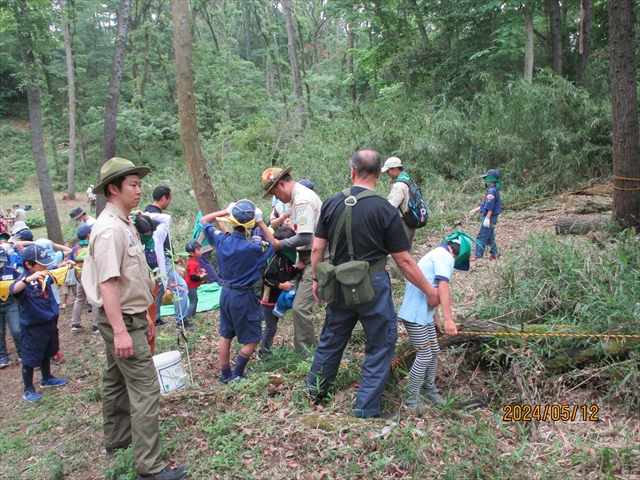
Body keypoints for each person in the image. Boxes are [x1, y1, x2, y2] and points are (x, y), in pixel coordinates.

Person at [306, 148, 442, 419]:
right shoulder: (384, 209)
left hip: (338, 283)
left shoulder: (331, 203)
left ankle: (315, 392)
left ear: (352, 171)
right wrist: (429, 290)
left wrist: (316, 279)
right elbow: (403, 261)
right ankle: (366, 408)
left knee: (332, 338)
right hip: (374, 285)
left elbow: (316, 250)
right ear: (380, 175)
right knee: (380, 343)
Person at [81, 157, 187, 480]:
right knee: (145, 387)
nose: (139, 190)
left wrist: (145, 313)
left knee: (114, 378)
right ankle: (150, 468)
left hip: (131, 315)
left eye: (140, 184)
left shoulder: (124, 222)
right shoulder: (109, 229)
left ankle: (118, 440)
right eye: (133, 185)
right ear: (113, 189)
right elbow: (108, 284)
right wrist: (121, 332)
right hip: (120, 320)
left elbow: (131, 278)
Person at [201, 200, 274, 383]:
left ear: (231, 221)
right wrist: (260, 222)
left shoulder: (221, 239)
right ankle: (237, 374)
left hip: (226, 292)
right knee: (253, 337)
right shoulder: (254, 248)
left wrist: (225, 210)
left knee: (226, 334)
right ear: (250, 224)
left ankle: (225, 374)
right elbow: (273, 244)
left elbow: (204, 220)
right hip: (244, 295)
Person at [398, 232, 473, 410]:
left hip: (424, 314)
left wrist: (436, 318)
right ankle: (411, 399)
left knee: (434, 349)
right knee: (424, 355)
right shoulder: (444, 257)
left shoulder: (437, 254)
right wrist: (449, 320)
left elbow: (434, 288)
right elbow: (444, 288)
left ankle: (428, 387)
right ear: (459, 255)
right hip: (415, 315)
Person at [261, 167, 322, 353]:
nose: (277, 198)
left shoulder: (302, 199)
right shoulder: (296, 198)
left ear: (281, 184)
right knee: (299, 305)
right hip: (305, 256)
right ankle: (304, 348)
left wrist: (280, 244)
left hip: (315, 256)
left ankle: (307, 353)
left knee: (300, 307)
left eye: (275, 194)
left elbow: (304, 237)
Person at [9, 244, 70, 402]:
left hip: (48, 322)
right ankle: (28, 388)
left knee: (47, 351)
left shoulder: (43, 275)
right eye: (40, 263)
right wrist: (28, 279)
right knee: (31, 357)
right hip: (33, 327)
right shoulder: (23, 280)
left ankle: (46, 378)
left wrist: (59, 266)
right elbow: (13, 290)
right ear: (28, 265)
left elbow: (50, 273)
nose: (44, 266)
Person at [144, 187, 193, 332]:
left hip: (152, 259)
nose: (169, 203)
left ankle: (156, 317)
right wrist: (174, 260)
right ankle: (181, 321)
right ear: (164, 198)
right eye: (169, 199)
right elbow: (163, 241)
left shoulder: (148, 212)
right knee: (181, 287)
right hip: (160, 259)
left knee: (157, 288)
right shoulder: (156, 217)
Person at [260, 226, 298, 354]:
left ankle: (266, 349)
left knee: (273, 327)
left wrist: (299, 269)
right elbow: (266, 278)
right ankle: (264, 353)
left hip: (278, 299)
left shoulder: (288, 260)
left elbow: (290, 274)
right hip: (268, 300)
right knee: (271, 328)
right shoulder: (274, 259)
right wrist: (281, 285)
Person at [190, 191, 223, 285]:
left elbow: (202, 227)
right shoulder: (203, 209)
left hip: (203, 242)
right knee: (204, 262)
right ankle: (216, 280)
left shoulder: (203, 211)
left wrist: (198, 243)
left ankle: (218, 281)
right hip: (204, 241)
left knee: (203, 262)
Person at [469, 169, 502, 261]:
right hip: (491, 216)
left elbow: (490, 206)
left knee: (482, 236)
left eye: (487, 178)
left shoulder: (492, 191)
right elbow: (485, 204)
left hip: (490, 217)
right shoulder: (491, 190)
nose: (485, 180)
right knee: (490, 236)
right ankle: (494, 253)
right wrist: (475, 210)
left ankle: (478, 255)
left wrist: (487, 218)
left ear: (491, 179)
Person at [70, 224, 97, 333]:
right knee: (94, 300)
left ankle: (75, 323)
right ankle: (96, 325)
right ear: (88, 235)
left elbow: (71, 261)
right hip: (93, 278)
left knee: (79, 299)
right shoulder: (93, 246)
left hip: (81, 278)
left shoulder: (75, 248)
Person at [0, 248, 21, 368]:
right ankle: (3, 356)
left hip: (11, 303)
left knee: (16, 329)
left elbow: (22, 280)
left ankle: (22, 352)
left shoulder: (11, 270)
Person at [184, 241, 206, 321]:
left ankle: (193, 315)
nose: (201, 251)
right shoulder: (192, 263)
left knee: (195, 300)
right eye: (199, 250)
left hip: (193, 285)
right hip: (190, 285)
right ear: (192, 253)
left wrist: (200, 271)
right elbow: (192, 276)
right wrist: (200, 276)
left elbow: (195, 271)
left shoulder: (194, 260)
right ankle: (188, 317)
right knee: (193, 301)